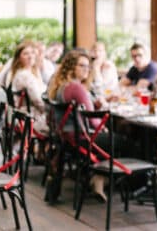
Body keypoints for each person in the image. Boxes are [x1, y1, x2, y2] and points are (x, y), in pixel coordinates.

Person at [48, 49, 109, 201]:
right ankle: (99, 177)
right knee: (126, 141)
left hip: (66, 137)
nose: (86, 70)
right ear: (71, 67)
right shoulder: (77, 88)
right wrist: (104, 128)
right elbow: (92, 120)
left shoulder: (61, 86)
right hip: (81, 138)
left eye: (88, 66)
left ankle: (96, 175)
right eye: (82, 66)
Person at [7, 41, 48, 133]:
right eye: (26, 54)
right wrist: (51, 109)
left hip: (30, 115)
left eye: (32, 53)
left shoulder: (32, 73)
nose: (30, 56)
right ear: (19, 58)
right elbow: (38, 100)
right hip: (31, 117)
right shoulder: (24, 75)